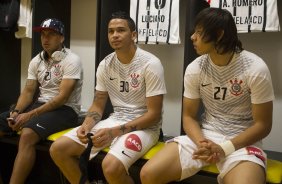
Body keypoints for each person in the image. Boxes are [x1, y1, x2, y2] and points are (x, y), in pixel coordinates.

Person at [140, 7, 274, 184]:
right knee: (149, 174)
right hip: (205, 135)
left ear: (218, 35)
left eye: (199, 32)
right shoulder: (195, 68)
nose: (192, 37)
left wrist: (224, 148)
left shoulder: (255, 68)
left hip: (241, 141)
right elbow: (188, 116)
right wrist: (203, 143)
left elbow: (263, 125)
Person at [50, 11, 167, 184]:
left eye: (121, 30)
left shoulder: (150, 63)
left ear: (133, 35)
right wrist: (87, 124)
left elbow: (154, 115)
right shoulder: (105, 64)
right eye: (111, 31)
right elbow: (98, 104)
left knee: (110, 167)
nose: (115, 35)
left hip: (145, 128)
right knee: (58, 149)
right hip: (115, 120)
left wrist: (114, 132)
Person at [0, 18, 83, 184]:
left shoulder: (72, 60)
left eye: (51, 34)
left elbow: (62, 97)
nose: (45, 39)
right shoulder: (36, 60)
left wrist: (29, 115)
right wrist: (16, 112)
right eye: (43, 35)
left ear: (61, 38)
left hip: (65, 110)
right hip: (39, 106)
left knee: (27, 135)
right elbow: (28, 91)